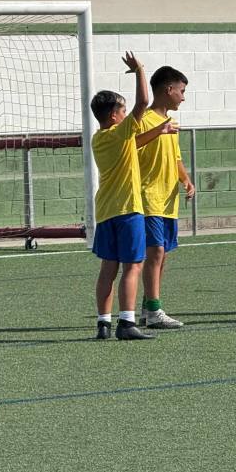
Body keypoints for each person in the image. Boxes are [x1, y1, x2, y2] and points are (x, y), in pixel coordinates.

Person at [90, 52, 177, 341]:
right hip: (128, 210)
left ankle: (103, 323)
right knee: (133, 266)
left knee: (107, 269)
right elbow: (143, 102)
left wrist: (159, 131)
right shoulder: (120, 132)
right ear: (114, 116)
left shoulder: (100, 138)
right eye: (123, 110)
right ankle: (126, 322)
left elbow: (134, 142)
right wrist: (139, 70)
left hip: (105, 211)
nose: (128, 114)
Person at [136, 65, 195, 329]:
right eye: (181, 91)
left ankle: (148, 306)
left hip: (169, 200)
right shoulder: (143, 121)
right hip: (149, 196)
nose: (183, 97)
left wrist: (186, 180)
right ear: (168, 89)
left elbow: (176, 157)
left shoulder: (172, 124)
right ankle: (154, 311)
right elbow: (130, 148)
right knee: (155, 251)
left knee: (163, 254)